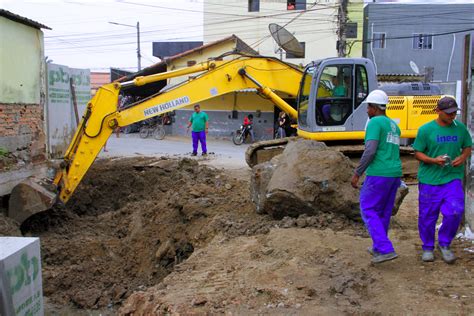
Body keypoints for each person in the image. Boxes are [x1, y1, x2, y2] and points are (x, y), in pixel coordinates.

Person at [412, 96, 472, 264]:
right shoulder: (426, 130)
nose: (452, 116)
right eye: (448, 113)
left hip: (452, 178)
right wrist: (433, 160)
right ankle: (428, 247)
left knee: (455, 210)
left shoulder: (460, 129)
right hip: (430, 180)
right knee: (427, 215)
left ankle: (444, 244)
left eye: (454, 113)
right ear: (438, 111)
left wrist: (462, 157)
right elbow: (417, 153)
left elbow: (468, 146)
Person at [351, 89, 402, 264]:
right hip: (394, 174)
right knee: (383, 212)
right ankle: (379, 246)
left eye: (368, 107)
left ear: (374, 108)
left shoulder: (375, 123)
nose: (367, 111)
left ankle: (386, 248)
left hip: (379, 173)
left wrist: (357, 173)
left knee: (368, 208)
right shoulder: (393, 125)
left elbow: (370, 150)